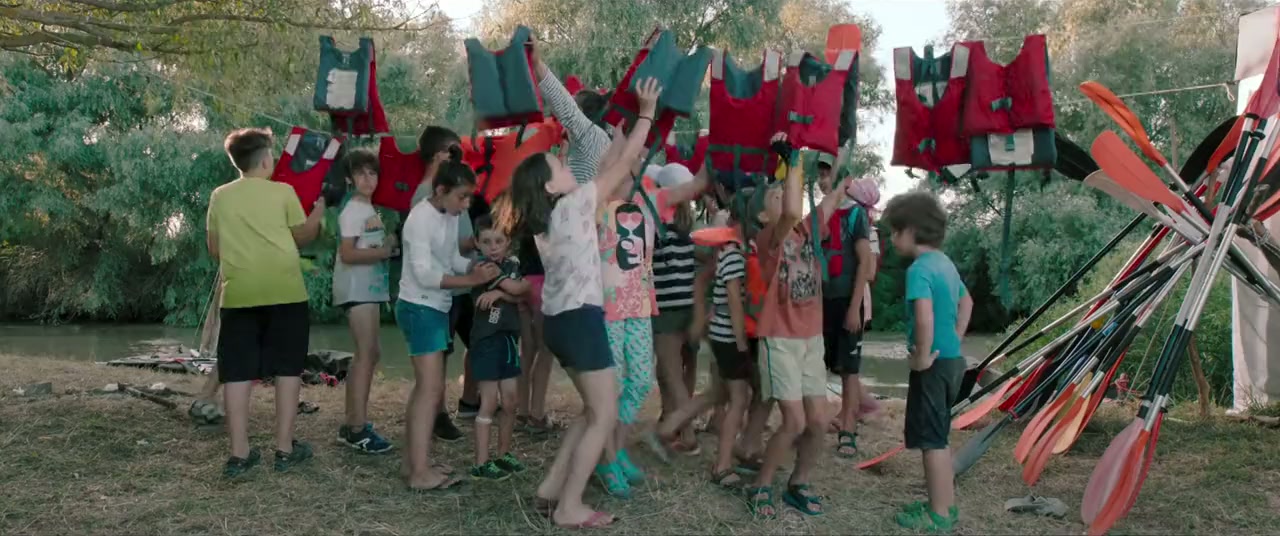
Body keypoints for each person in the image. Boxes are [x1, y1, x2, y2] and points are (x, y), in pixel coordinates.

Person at [494, 77, 662, 529]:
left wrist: (618, 136)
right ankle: (570, 506)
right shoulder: (573, 206)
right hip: (581, 322)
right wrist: (646, 113)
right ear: (550, 186)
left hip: (560, 323)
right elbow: (621, 166)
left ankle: (551, 489)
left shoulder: (550, 218)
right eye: (558, 162)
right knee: (604, 415)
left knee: (591, 409)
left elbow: (610, 162)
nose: (565, 159)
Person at [205, 127, 325, 477]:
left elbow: (214, 249)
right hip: (286, 293)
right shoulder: (283, 192)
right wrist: (319, 210)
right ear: (265, 160)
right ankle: (284, 450)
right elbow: (302, 236)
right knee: (288, 369)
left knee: (237, 373)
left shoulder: (220, 196)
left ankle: (239, 456)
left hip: (239, 294)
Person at [745, 135, 850, 518]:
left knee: (819, 420)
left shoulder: (807, 232)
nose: (784, 197)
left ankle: (799, 482)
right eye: (775, 196)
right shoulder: (768, 240)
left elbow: (834, 196)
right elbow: (791, 210)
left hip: (810, 338)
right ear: (762, 216)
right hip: (781, 339)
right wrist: (793, 161)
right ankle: (760, 485)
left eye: (783, 191)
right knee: (794, 420)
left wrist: (841, 158)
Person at [595, 157, 708, 498]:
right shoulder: (597, 207)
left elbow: (694, 185)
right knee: (613, 387)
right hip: (610, 309)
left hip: (642, 308)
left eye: (633, 173)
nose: (633, 178)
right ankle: (608, 458)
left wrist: (722, 145)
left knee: (642, 381)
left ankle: (616, 451)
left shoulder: (649, 207)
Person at [397, 159, 500, 491]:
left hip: (435, 308)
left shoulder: (449, 216)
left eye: (469, 197)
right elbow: (424, 274)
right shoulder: (419, 219)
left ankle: (415, 463)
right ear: (440, 190)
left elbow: (450, 259)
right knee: (429, 391)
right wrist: (470, 280)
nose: (466, 204)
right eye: (462, 196)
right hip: (420, 307)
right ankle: (418, 473)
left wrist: (475, 267)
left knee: (426, 389)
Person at [882, 191, 972, 531]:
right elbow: (968, 302)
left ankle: (939, 515)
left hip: (932, 365)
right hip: (952, 362)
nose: (892, 238)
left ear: (911, 231)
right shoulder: (945, 264)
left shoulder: (919, 270)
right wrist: (956, 337)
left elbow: (923, 317)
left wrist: (921, 356)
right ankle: (945, 505)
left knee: (931, 443)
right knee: (940, 437)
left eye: (895, 231)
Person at [333, 149, 397, 454]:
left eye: (372, 173)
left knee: (371, 353)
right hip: (356, 289)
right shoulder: (353, 210)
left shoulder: (367, 208)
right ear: (349, 179)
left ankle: (353, 423)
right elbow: (347, 253)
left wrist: (388, 244)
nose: (368, 179)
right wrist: (384, 252)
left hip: (369, 289)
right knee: (366, 353)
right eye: (360, 173)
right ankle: (356, 430)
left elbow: (368, 245)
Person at [409, 126, 469, 442]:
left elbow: (454, 247)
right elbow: (431, 259)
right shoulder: (426, 199)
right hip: (437, 291)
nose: (458, 158)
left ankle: (469, 402)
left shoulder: (454, 194)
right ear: (438, 156)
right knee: (438, 356)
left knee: (474, 344)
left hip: (459, 286)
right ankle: (437, 414)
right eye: (453, 152)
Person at [815, 155, 876, 458]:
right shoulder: (818, 214)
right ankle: (817, 423)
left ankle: (848, 430)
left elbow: (865, 263)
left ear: (846, 181)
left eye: (828, 174)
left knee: (849, 370)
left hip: (847, 302)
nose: (822, 180)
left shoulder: (856, 215)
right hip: (820, 304)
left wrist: (855, 308)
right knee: (821, 365)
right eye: (820, 175)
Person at [467, 215, 530, 481]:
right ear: (477, 243)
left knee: (511, 401)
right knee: (489, 402)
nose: (493, 247)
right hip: (486, 340)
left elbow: (523, 291)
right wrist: (510, 292)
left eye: (498, 241)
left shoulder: (511, 264)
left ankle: (503, 454)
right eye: (486, 241)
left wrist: (501, 294)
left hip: (507, 338)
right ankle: (481, 463)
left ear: (508, 242)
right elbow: (517, 288)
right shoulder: (483, 267)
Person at [650, 163, 702, 454]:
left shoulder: (659, 230)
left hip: (667, 312)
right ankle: (671, 422)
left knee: (670, 374)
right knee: (682, 370)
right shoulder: (690, 231)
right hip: (689, 308)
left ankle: (688, 433)